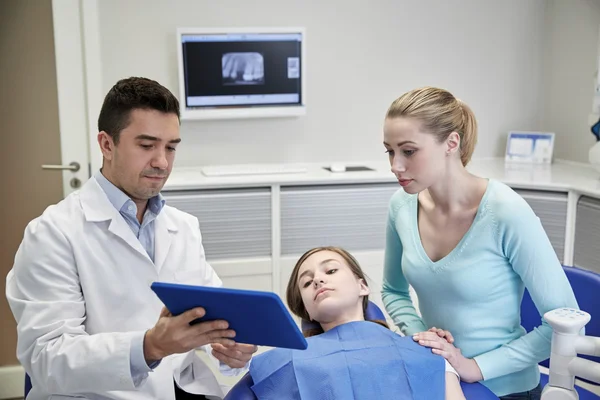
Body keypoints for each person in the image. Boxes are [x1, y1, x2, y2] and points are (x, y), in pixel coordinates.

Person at [5, 77, 257, 400]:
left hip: (184, 389)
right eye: (147, 145)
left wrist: (233, 351)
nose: (162, 162)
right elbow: (47, 358)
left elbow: (218, 319)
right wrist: (149, 347)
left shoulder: (184, 228)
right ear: (106, 145)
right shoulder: (52, 234)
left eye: (171, 147)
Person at [380, 86, 580, 400]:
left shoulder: (506, 211)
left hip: (504, 389)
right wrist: (422, 335)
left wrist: (476, 366)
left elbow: (566, 324)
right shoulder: (401, 206)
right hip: (437, 378)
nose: (395, 165)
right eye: (389, 151)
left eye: (408, 151)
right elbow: (393, 290)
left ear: (451, 143)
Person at [248, 246, 466, 400]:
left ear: (362, 286)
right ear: (307, 311)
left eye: (331, 270)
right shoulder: (283, 363)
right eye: (306, 282)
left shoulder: (430, 351)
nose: (317, 280)